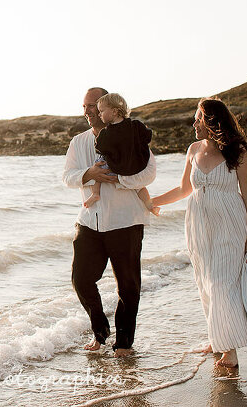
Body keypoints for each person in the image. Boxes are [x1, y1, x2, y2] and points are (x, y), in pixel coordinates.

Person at [151, 97, 247, 368]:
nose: (194, 123)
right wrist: (153, 202)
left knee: (222, 284)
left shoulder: (238, 152)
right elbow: (185, 190)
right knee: (205, 283)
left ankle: (229, 351)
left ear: (212, 122)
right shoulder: (193, 149)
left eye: (198, 118)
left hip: (230, 225)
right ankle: (218, 335)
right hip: (198, 226)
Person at [63, 87, 157, 356]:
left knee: (128, 286)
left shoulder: (132, 134)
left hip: (126, 221)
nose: (88, 111)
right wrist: (88, 174)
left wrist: (119, 179)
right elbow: (67, 177)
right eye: (84, 106)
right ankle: (100, 331)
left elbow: (149, 173)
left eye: (93, 105)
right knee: (81, 279)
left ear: (107, 107)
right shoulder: (78, 142)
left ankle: (124, 344)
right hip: (89, 222)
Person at [82, 93, 159, 216]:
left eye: (101, 111)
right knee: (140, 187)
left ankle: (95, 193)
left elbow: (100, 148)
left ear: (114, 111)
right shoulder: (136, 125)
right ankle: (149, 204)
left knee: (98, 166)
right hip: (136, 164)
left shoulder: (106, 133)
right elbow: (147, 136)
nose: (99, 114)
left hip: (116, 169)